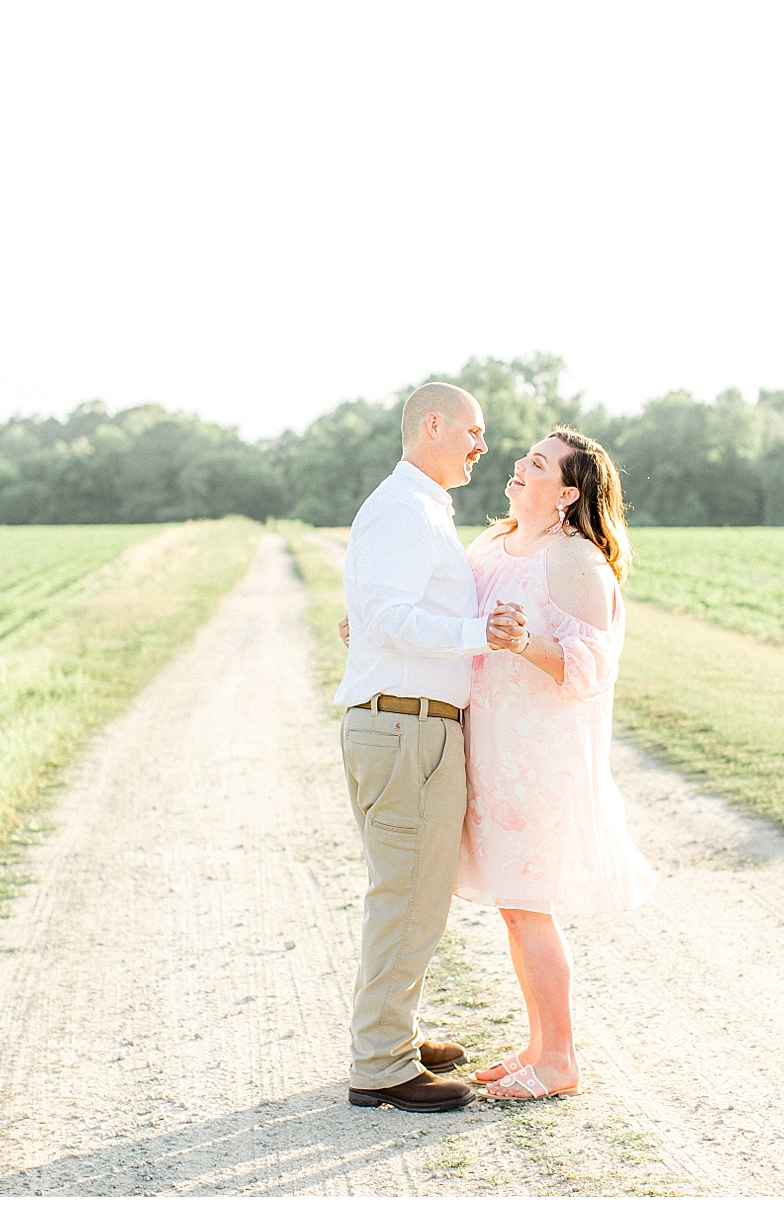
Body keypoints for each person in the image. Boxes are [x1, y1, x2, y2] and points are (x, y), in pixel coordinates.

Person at [333, 381, 521, 1113]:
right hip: (406, 728)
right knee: (405, 898)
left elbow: (373, 615)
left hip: (411, 727)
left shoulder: (417, 508)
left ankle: (393, 1034)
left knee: (413, 893)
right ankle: (380, 1062)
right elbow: (387, 615)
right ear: (432, 425)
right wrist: (482, 634)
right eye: (473, 431)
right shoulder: (405, 511)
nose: (483, 445)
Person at [456, 426, 656, 1101]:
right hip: (493, 749)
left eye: (536, 463)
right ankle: (537, 1045)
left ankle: (560, 1058)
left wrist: (524, 641)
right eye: (525, 456)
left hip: (540, 762)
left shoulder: (575, 560)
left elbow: (592, 666)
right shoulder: (492, 543)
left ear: (568, 493)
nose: (518, 465)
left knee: (529, 906)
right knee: (515, 907)